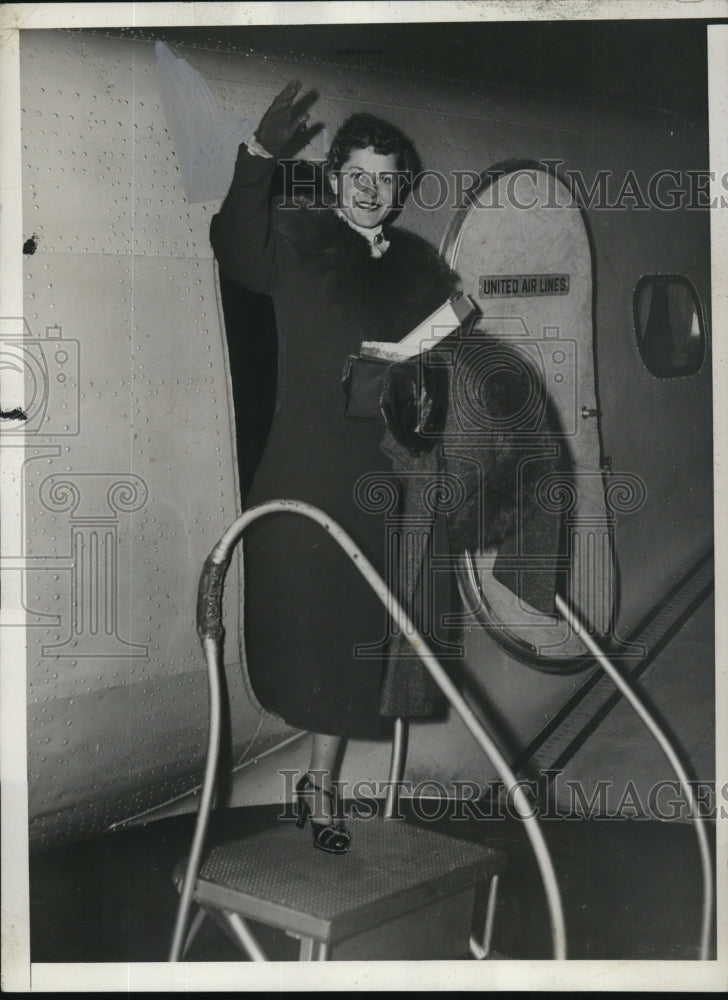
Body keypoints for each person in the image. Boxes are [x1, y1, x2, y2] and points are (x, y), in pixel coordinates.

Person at [210, 81, 456, 853]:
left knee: (361, 637)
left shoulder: (419, 267)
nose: (372, 191)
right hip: (305, 467)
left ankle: (322, 788)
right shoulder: (299, 239)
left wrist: (424, 395)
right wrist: (256, 158)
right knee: (310, 629)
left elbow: (441, 364)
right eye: (359, 176)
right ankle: (303, 789)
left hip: (383, 475)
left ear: (400, 186)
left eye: (386, 179)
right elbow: (233, 245)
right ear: (337, 177)